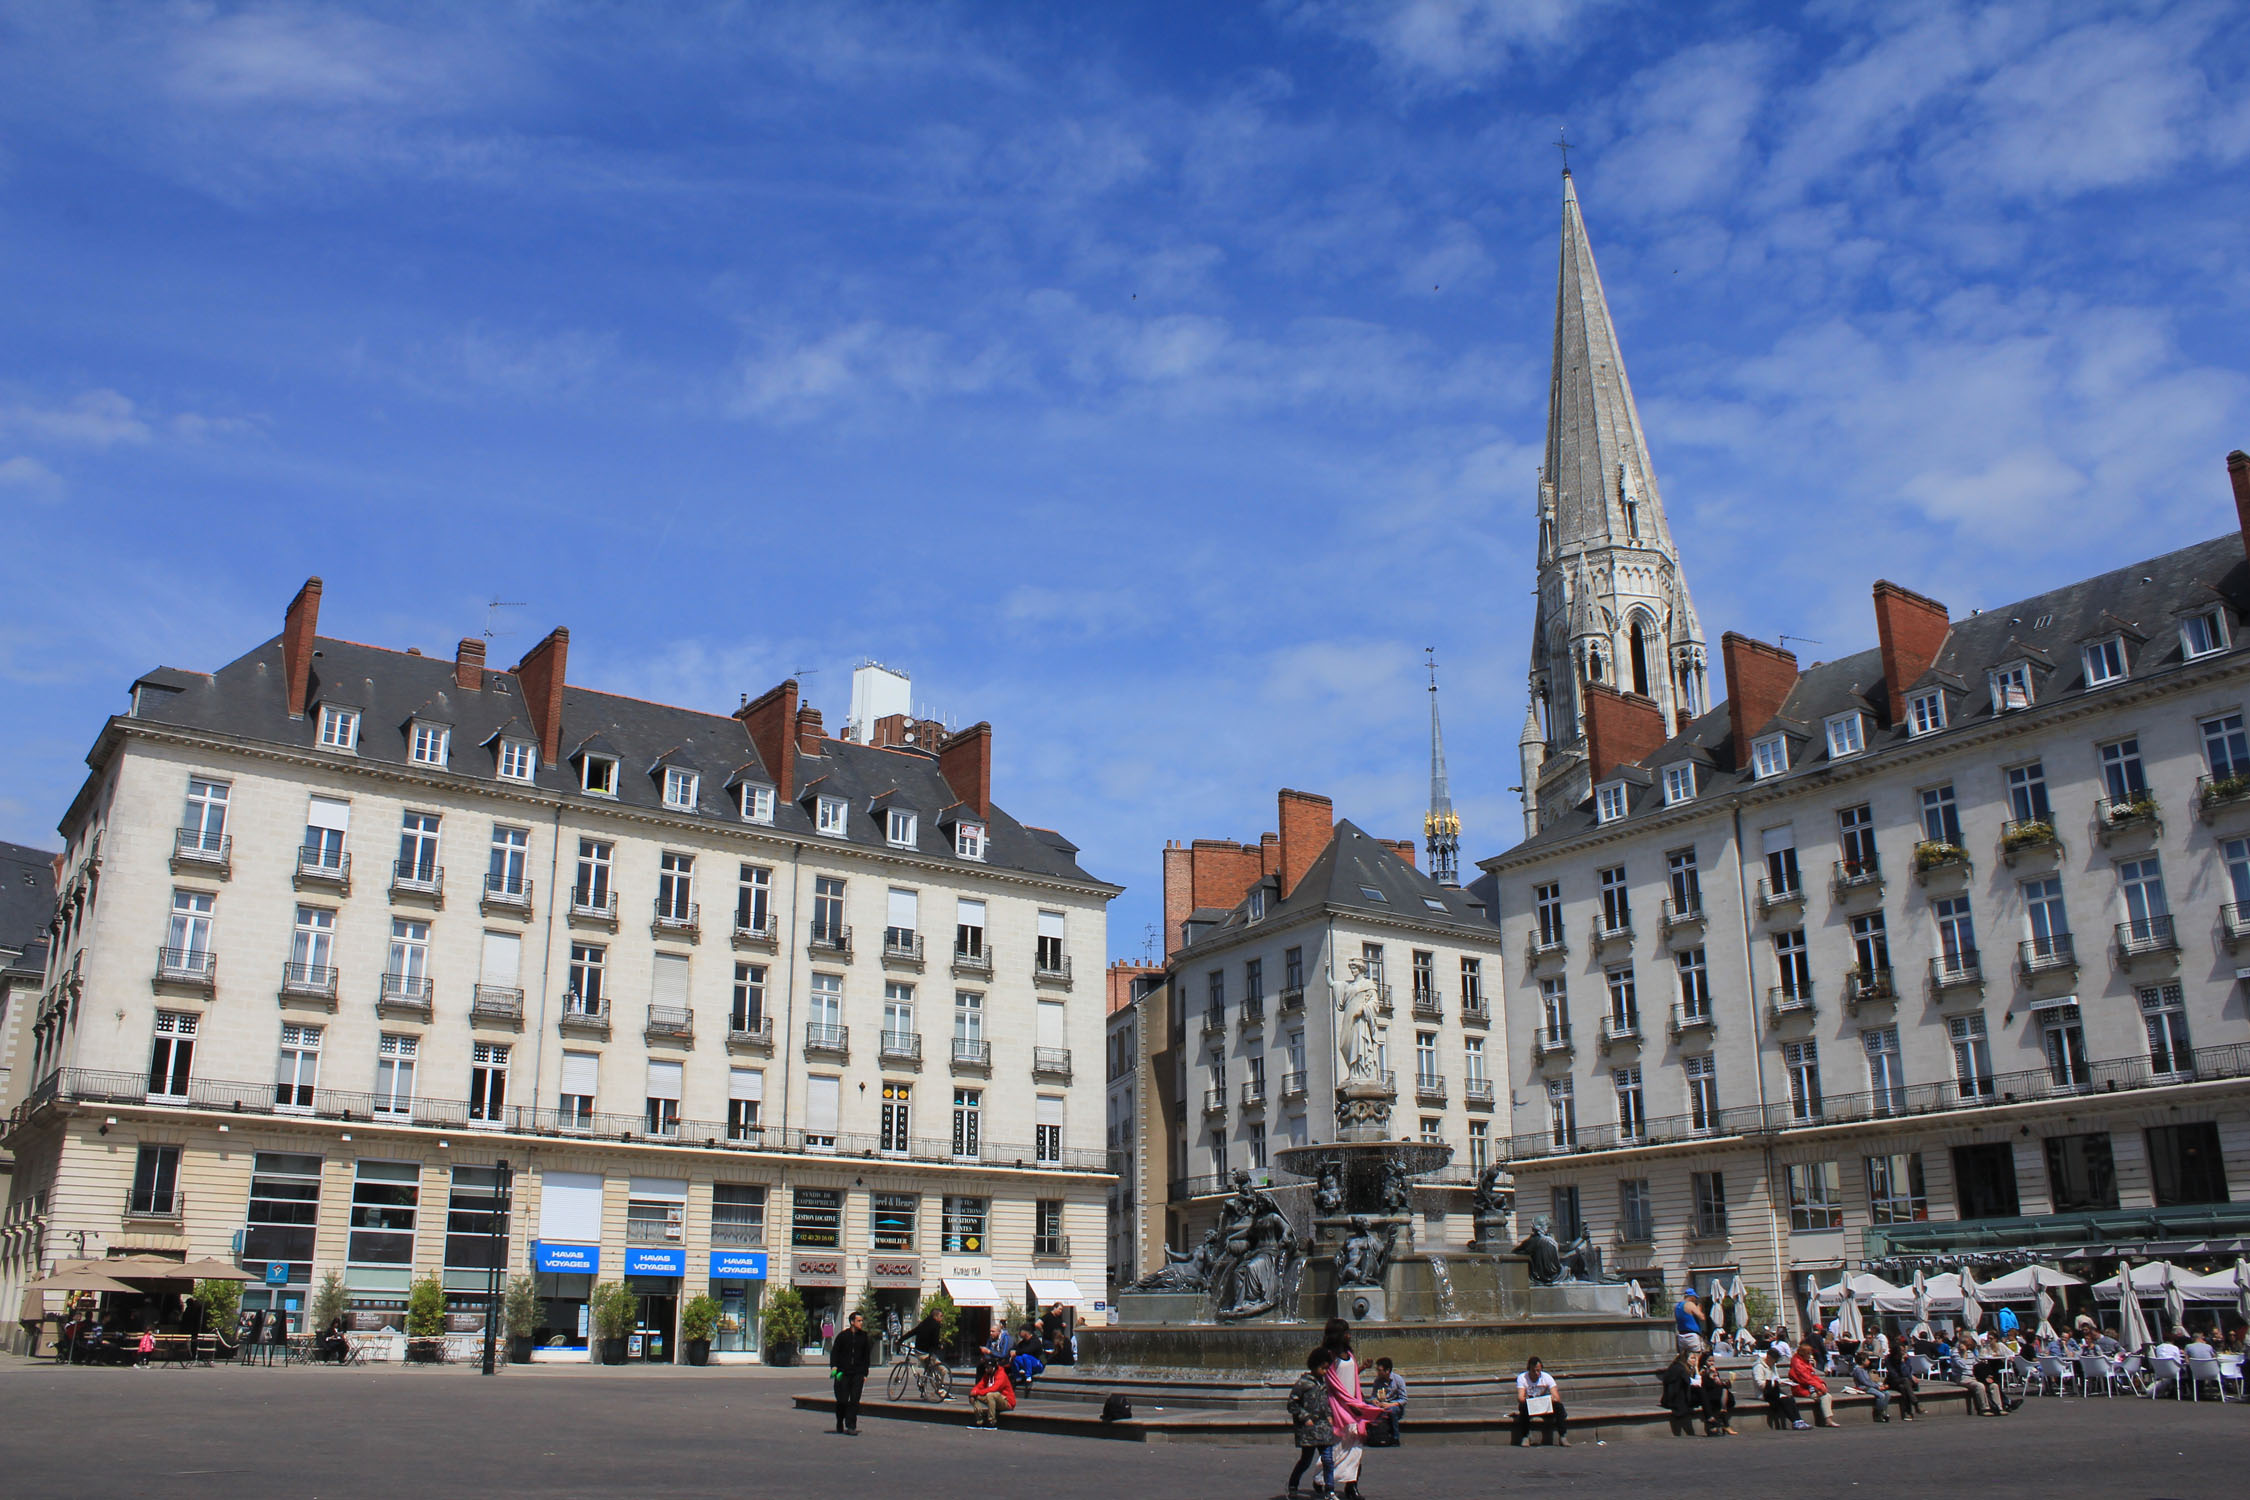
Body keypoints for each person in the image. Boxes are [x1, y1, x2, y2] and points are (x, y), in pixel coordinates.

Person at [1321, 1318, 1386, 1500]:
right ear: (1338, 1335)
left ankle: (1352, 1486)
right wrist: (1350, 1406)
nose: (1349, 1335)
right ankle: (1322, 1480)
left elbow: (1349, 1377)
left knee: (1356, 1449)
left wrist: (1362, 1369)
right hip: (1340, 1408)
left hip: (1353, 1404)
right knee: (1338, 1447)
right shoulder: (1329, 1356)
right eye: (1346, 1332)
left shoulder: (1349, 1352)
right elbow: (1334, 1384)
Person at [1287, 1347, 1338, 1498]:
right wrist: (1305, 1417)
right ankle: (1293, 1485)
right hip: (1309, 1430)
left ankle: (1330, 1490)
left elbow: (1326, 1403)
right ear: (1314, 1365)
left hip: (1324, 1427)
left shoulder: (1323, 1384)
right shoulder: (1303, 1383)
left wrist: (1330, 1415)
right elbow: (1292, 1404)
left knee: (1328, 1459)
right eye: (1323, 1368)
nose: (1325, 1371)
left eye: (1327, 1368)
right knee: (1306, 1460)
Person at [830, 1310, 872, 1436]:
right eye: (859, 1321)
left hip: (858, 1373)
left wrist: (865, 1373)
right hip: (843, 1373)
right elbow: (835, 1352)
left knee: (854, 1400)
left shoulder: (864, 1337)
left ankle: (851, 1426)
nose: (861, 1323)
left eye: (862, 1320)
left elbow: (866, 1356)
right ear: (852, 1322)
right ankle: (839, 1420)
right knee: (842, 1400)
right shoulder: (843, 1336)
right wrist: (834, 1367)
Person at [1512, 1354, 1568, 1446]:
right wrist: (1529, 1401)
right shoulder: (1522, 1378)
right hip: (1531, 1406)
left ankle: (1563, 1436)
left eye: (1538, 1370)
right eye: (1533, 1371)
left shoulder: (1547, 1377)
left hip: (1545, 1406)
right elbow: (1520, 1398)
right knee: (1523, 1407)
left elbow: (1557, 1397)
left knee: (1559, 1407)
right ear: (1529, 1369)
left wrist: (1551, 1399)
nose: (1536, 1373)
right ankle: (1525, 1437)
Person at [1752, 1346, 1805, 1429]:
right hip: (1764, 1393)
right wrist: (1776, 1383)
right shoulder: (1758, 1367)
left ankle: (1799, 1420)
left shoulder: (1773, 1365)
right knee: (1785, 1400)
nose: (1775, 1362)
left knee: (1790, 1398)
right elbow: (1760, 1383)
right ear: (1768, 1357)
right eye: (1775, 1360)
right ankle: (1795, 1421)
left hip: (1774, 1390)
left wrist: (1785, 1381)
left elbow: (1776, 1378)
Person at [1789, 1341, 1834, 1427]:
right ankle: (1828, 1420)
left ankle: (1828, 1419)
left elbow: (1813, 1375)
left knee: (1825, 1395)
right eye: (1808, 1353)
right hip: (1801, 1389)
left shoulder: (1804, 1361)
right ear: (1803, 1353)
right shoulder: (1798, 1363)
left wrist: (1821, 1383)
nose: (1810, 1356)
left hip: (1809, 1387)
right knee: (1825, 1396)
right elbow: (1806, 1378)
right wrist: (1819, 1387)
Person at [967, 1353, 1015, 1429]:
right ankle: (979, 1421)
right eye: (985, 1367)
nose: (986, 1370)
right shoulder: (987, 1374)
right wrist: (973, 1392)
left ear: (993, 1368)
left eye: (988, 1368)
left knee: (991, 1394)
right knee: (975, 1396)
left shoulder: (1001, 1375)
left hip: (1006, 1402)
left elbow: (994, 1388)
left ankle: (991, 1422)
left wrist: (977, 1392)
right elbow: (980, 1385)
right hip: (993, 1399)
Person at [1366, 1356, 1406, 1446]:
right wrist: (1374, 1401)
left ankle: (1395, 1437)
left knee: (1393, 1411)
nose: (1377, 1372)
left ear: (1387, 1370)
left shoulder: (1398, 1380)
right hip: (1381, 1405)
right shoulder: (1377, 1381)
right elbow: (1372, 1396)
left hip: (1394, 1406)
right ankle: (1373, 1436)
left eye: (1379, 1370)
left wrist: (1390, 1405)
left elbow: (1404, 1399)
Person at [1696, 1351, 1738, 1435]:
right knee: (1724, 1391)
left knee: (1724, 1389)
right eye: (1709, 1361)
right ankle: (1725, 1423)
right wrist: (1709, 1375)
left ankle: (1723, 1414)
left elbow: (1718, 1384)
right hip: (1708, 1393)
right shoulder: (1702, 1370)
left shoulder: (1714, 1370)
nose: (1711, 1363)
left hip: (1717, 1392)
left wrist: (1722, 1382)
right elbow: (1703, 1384)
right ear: (1704, 1361)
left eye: (1713, 1361)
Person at [1659, 1350, 1699, 1437]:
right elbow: (1693, 1383)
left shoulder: (1676, 1367)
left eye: (1695, 1359)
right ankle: (1710, 1421)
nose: (1694, 1361)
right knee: (1702, 1392)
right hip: (1677, 1401)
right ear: (1685, 1359)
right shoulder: (1681, 1370)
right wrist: (1697, 1369)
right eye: (1692, 1358)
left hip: (1672, 1399)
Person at [1849, 1352, 1892, 1422]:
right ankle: (1878, 1414)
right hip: (1863, 1388)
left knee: (1887, 1394)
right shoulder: (1858, 1370)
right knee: (1881, 1395)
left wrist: (1879, 1385)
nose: (1869, 1361)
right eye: (1867, 1359)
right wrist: (1877, 1387)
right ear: (1863, 1361)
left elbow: (1870, 1381)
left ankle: (1884, 1411)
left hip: (1870, 1386)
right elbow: (1865, 1382)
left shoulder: (1864, 1370)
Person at [906, 1310, 945, 1380]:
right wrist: (939, 1346)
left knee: (929, 1371)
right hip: (926, 1353)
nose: (942, 1318)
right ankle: (940, 1387)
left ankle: (926, 1383)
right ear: (935, 1316)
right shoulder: (936, 1325)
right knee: (943, 1370)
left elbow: (912, 1332)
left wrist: (900, 1340)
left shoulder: (923, 1323)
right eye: (941, 1316)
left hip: (919, 1351)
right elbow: (935, 1340)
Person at [1885, 1347, 1920, 1421]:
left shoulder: (1906, 1359)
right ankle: (1915, 1404)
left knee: (1903, 1387)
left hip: (1904, 1382)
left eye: (1904, 1351)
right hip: (1893, 1381)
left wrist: (1902, 1362)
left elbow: (1906, 1373)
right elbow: (1893, 1374)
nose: (1903, 1353)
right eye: (1901, 1351)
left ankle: (1908, 1413)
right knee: (1905, 1381)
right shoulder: (1888, 1359)